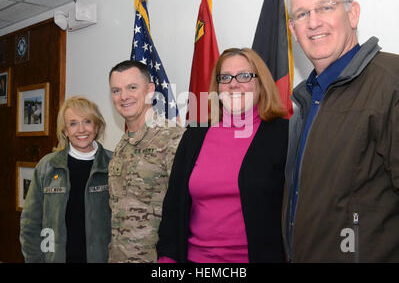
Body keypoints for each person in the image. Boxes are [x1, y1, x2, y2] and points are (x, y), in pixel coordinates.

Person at [283, 0, 399, 262]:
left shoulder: (391, 81)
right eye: (301, 14)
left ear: (353, 13)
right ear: (293, 29)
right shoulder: (306, 98)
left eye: (325, 7)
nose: (313, 22)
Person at [157, 48, 289, 263]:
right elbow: (173, 207)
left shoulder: (284, 135)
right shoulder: (195, 135)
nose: (234, 84)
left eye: (245, 76)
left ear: (261, 82)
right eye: (225, 77)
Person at [108, 60, 185, 263]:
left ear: (150, 90)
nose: (123, 96)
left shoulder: (173, 138)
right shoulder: (123, 144)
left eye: (132, 87)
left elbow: (185, 209)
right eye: (116, 90)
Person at [20, 96, 113, 263]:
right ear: (65, 131)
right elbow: (30, 224)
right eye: (73, 123)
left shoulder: (114, 165)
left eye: (87, 121)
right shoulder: (47, 167)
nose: (81, 130)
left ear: (97, 126)